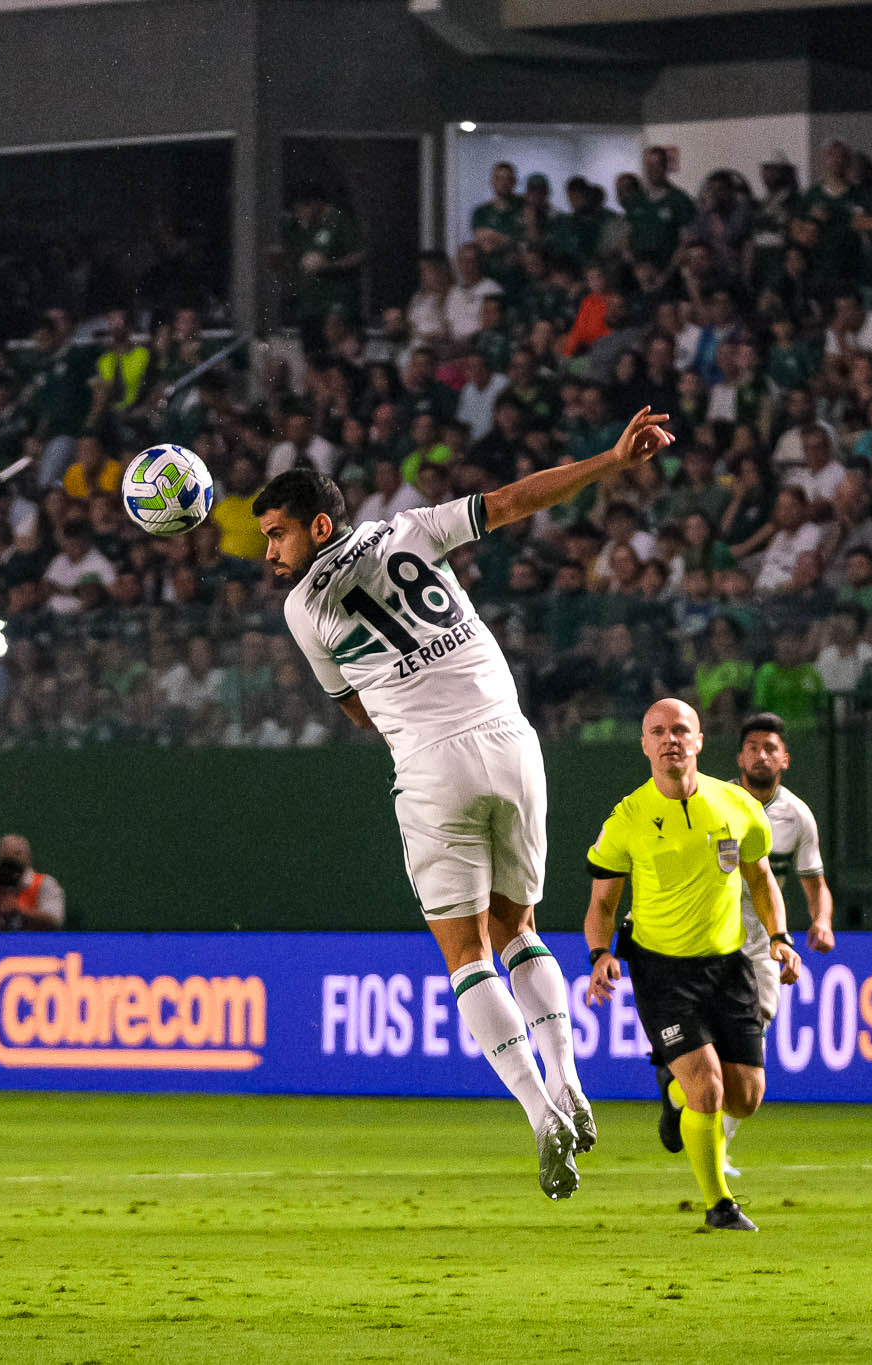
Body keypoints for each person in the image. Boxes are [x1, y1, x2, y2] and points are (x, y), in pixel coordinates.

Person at [252, 406, 675, 1200]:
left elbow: (355, 709)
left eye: (276, 533)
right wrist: (609, 459)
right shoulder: (410, 527)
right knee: (522, 929)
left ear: (315, 524)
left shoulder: (301, 609)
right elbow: (513, 501)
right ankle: (570, 1075)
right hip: (512, 741)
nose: (270, 552)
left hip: (431, 762)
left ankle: (542, 1112)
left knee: (468, 953)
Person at [582, 698, 802, 1232]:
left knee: (745, 1098)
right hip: (662, 973)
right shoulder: (627, 819)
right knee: (708, 1090)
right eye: (657, 731)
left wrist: (779, 936)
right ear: (644, 745)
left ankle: (670, 1087)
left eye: (680, 729)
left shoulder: (736, 807)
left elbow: (760, 880)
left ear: (699, 741)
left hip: (729, 967)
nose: (669, 739)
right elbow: (603, 906)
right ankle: (719, 1205)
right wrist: (600, 955)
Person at [719, 711, 836, 1175]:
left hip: (763, 941)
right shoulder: (717, 802)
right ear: (739, 756)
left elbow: (814, 882)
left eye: (770, 748)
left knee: (755, 1025)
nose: (761, 755)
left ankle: (716, 1140)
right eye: (752, 747)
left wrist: (822, 921)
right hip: (707, 935)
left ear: (784, 759)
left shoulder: (797, 816)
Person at [0, 834, 69, 930]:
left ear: (28, 858)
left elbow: (55, 920)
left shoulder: (44, 883)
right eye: (6, 855)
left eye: (18, 853)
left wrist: (20, 910)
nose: (13, 859)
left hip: (32, 949)